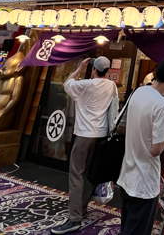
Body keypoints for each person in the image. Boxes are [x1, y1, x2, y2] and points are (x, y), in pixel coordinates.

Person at [51, 57, 119, 235]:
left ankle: (74, 218)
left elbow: (67, 84)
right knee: (90, 174)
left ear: (94, 70)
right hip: (101, 135)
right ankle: (81, 208)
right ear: (108, 71)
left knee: (76, 174)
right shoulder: (111, 86)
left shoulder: (87, 84)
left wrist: (80, 68)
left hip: (84, 135)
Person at [117, 58, 164, 235]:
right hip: (144, 182)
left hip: (127, 175)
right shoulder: (162, 104)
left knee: (128, 226)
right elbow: (155, 149)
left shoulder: (139, 92)